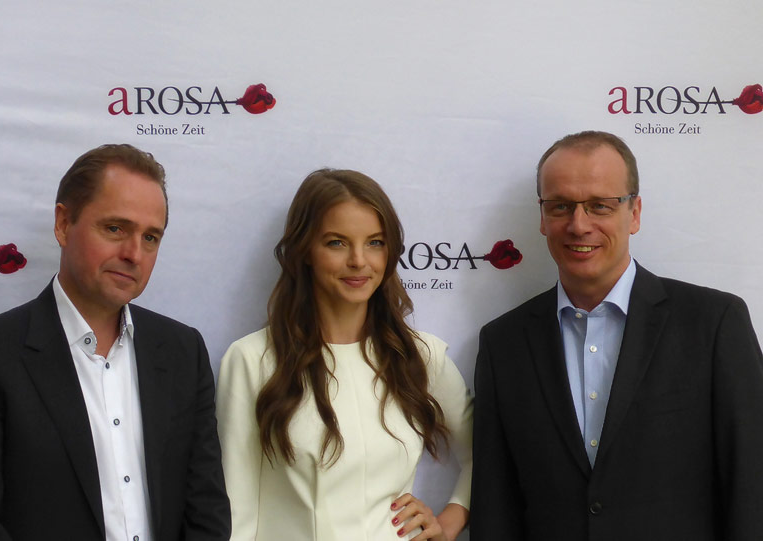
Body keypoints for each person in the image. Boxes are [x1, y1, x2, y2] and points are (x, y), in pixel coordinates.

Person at [470, 130, 763, 540]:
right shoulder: (504, 343)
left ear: (635, 212)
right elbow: (495, 504)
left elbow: (751, 487)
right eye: (560, 206)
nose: (578, 224)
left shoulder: (714, 323)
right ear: (542, 217)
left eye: (599, 206)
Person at [0, 144, 231, 541]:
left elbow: (207, 508)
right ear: (63, 224)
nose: (134, 254)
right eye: (115, 228)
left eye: (151, 237)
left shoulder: (182, 351)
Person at [215, 169, 472, 540]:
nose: (359, 260)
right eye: (337, 243)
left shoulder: (421, 355)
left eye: (375, 243)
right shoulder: (251, 361)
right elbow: (236, 515)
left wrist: (449, 522)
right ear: (305, 251)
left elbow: (490, 453)